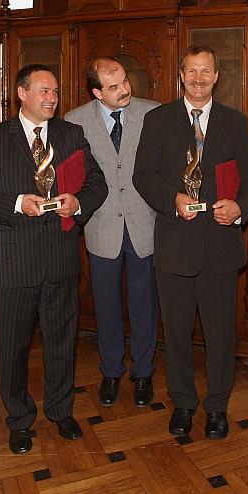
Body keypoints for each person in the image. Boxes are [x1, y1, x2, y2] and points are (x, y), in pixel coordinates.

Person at [0, 64, 108, 454]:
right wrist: (15, 203)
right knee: (13, 347)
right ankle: (19, 419)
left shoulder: (71, 134)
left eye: (55, 92)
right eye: (43, 91)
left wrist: (78, 204)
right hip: (16, 261)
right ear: (21, 93)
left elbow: (97, 183)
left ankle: (61, 410)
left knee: (62, 341)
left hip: (61, 258)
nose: (51, 99)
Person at [132, 45, 248, 439]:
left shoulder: (236, 123)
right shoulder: (158, 120)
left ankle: (218, 406)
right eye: (192, 72)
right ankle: (184, 403)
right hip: (175, 244)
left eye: (206, 72)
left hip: (220, 244)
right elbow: (143, 175)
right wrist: (172, 199)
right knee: (176, 333)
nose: (199, 78)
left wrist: (239, 207)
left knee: (221, 334)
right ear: (181, 76)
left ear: (216, 77)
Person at [64, 57, 160, 408]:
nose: (124, 90)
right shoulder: (75, 121)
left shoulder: (153, 113)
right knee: (105, 306)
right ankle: (110, 371)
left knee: (144, 304)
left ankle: (144, 373)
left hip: (143, 225)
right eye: (114, 86)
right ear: (96, 92)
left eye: (124, 81)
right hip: (101, 227)